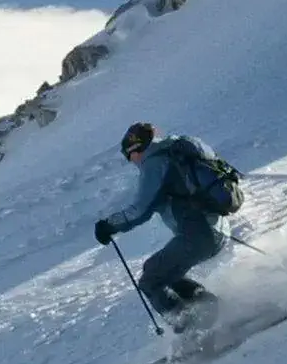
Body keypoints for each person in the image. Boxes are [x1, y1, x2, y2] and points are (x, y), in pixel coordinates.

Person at [93, 121, 224, 326]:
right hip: (214, 228)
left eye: (130, 156)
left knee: (150, 281)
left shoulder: (154, 163)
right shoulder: (174, 151)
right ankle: (208, 306)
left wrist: (108, 226)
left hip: (197, 234)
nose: (133, 162)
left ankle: (192, 329)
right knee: (160, 271)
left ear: (136, 149)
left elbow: (140, 210)